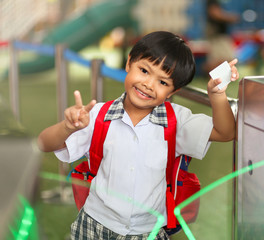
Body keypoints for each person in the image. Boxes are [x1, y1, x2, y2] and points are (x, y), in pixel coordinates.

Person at [37, 31, 239, 240]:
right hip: (93, 225)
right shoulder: (97, 116)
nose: (149, 84)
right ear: (129, 63)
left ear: (172, 92)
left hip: (148, 232)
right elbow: (43, 143)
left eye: (163, 82)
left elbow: (225, 132)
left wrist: (217, 95)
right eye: (144, 70)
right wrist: (68, 127)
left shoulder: (177, 121)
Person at [204, 0, 240, 73]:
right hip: (217, 35)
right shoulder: (212, 2)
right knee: (217, 60)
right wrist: (230, 17)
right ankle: (207, 75)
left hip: (221, 35)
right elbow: (215, 14)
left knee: (223, 59)